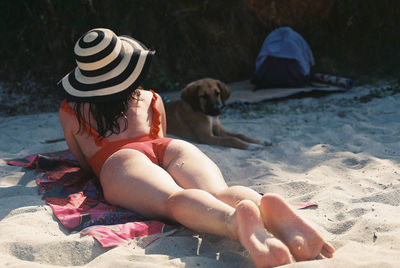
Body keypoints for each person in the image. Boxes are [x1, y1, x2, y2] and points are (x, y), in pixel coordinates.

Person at [58, 28, 335, 267]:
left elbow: (84, 162)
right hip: (170, 147)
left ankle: (232, 222)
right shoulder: (151, 97)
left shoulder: (71, 110)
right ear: (128, 65)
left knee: (173, 199)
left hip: (120, 159)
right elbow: (160, 135)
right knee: (219, 191)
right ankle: (261, 206)